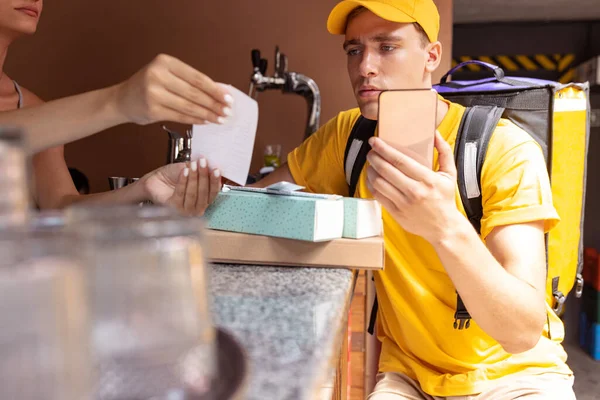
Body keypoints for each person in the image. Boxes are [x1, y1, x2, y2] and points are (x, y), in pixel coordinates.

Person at [253, 0, 575, 398]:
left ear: (431, 56)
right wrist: (180, 191)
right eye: (354, 50)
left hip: (515, 377)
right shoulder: (347, 138)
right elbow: (257, 202)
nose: (365, 66)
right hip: (409, 377)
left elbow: (522, 330)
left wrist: (444, 226)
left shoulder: (504, 150)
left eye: (386, 47)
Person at [0, 0, 228, 215]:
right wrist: (120, 100)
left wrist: (144, 188)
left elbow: (61, 209)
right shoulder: (45, 121)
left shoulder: (33, 109)